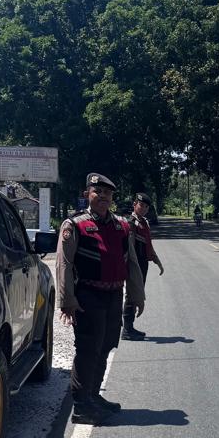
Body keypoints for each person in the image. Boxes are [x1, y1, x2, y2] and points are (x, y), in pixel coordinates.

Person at [55, 173, 146, 422]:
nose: (103, 196)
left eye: (108, 193)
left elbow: (131, 262)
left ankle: (93, 396)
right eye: (98, 192)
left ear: (112, 198)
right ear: (88, 195)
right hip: (88, 296)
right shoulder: (75, 225)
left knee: (106, 345)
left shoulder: (121, 226)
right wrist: (67, 300)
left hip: (114, 295)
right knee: (88, 349)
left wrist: (137, 295)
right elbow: (64, 264)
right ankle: (81, 405)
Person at [123, 193, 164, 340]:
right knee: (132, 294)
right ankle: (127, 329)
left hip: (143, 264)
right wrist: (130, 266)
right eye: (141, 205)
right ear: (135, 204)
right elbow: (130, 248)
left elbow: (148, 244)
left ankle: (130, 327)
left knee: (137, 294)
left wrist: (157, 260)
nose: (144, 209)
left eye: (146, 207)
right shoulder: (131, 223)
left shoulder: (144, 222)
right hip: (134, 264)